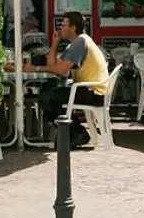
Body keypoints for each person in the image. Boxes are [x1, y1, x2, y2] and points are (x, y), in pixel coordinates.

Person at [28, 11, 110, 149]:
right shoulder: (76, 43)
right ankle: (75, 132)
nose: (60, 28)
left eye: (64, 25)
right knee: (48, 92)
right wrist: (55, 43)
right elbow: (52, 64)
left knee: (47, 97)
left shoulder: (80, 42)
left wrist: (35, 69)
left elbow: (61, 70)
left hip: (93, 92)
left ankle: (77, 134)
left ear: (73, 28)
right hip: (90, 90)